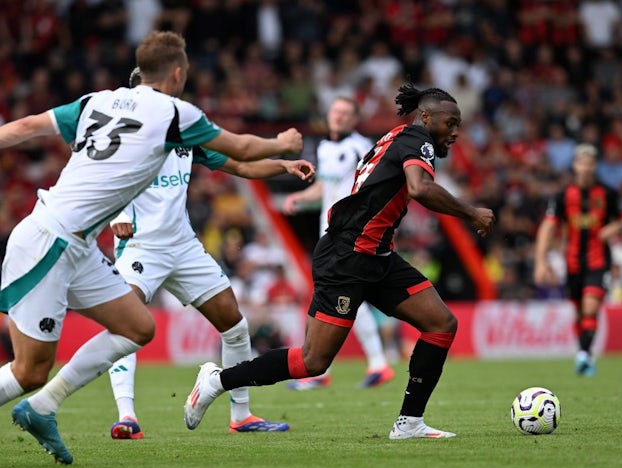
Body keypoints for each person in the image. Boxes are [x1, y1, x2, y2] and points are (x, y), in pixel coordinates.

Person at [0, 30, 302, 464]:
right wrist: (282, 143)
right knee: (29, 370)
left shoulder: (94, 102)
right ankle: (58, 404)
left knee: (138, 328)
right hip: (54, 239)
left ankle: (45, 406)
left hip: (80, 243)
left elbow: (28, 126)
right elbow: (240, 146)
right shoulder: (174, 114)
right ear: (178, 73)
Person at [183, 84, 495, 439]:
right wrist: (471, 213)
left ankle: (409, 422)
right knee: (313, 361)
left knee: (441, 324)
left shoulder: (399, 137)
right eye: (450, 122)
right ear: (425, 117)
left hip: (376, 255)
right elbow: (419, 188)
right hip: (347, 257)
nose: (455, 131)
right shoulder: (417, 140)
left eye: (459, 124)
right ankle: (217, 380)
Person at [108, 68, 314, 440]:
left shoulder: (187, 132)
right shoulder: (125, 133)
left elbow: (238, 163)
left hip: (184, 247)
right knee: (126, 324)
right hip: (140, 246)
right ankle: (127, 417)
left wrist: (282, 165)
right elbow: (99, 173)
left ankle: (241, 415)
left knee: (234, 325)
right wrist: (117, 213)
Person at [282, 96, 395, 390]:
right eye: (336, 111)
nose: (339, 116)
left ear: (355, 119)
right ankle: (376, 364)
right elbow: (325, 186)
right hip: (327, 233)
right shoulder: (324, 147)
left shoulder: (361, 147)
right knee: (344, 300)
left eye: (346, 113)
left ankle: (320, 370)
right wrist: (300, 197)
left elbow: (372, 186)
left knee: (330, 298)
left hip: (346, 234)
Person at [534, 143, 622, 377]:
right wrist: (541, 262)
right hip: (573, 262)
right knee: (579, 312)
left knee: (590, 307)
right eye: (582, 163)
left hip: (598, 261)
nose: (585, 168)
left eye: (590, 163)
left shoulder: (608, 193)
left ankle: (584, 355)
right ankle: (584, 353)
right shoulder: (563, 195)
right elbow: (548, 226)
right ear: (575, 165)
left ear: (595, 166)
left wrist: (613, 227)